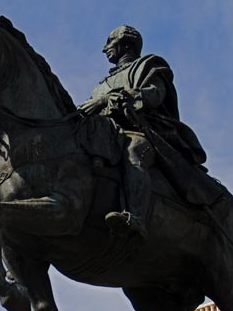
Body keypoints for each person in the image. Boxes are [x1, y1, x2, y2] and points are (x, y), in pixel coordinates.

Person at [78, 25, 207, 237]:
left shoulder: (149, 66)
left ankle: (135, 218)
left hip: (142, 131)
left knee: (134, 152)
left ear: (127, 44)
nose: (104, 48)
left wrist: (109, 100)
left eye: (110, 42)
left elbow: (154, 95)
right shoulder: (101, 85)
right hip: (106, 133)